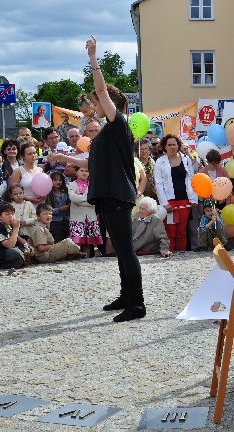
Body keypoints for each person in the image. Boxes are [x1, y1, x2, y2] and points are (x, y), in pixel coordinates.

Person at [50, 36, 144, 322]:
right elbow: (90, 162)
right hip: (106, 193)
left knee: (126, 250)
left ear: (110, 103)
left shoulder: (118, 123)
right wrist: (63, 159)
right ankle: (125, 295)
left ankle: (137, 303)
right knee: (118, 247)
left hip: (117, 193)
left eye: (99, 100)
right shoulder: (104, 133)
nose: (95, 103)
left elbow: (101, 88)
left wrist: (93, 57)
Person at [154, 134, 198, 252]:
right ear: (164, 147)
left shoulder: (186, 159)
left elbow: (192, 179)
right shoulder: (160, 162)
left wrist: (194, 199)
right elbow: (158, 184)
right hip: (169, 202)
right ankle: (170, 253)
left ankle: (182, 254)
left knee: (182, 231)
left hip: (185, 200)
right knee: (171, 231)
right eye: (169, 145)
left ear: (178, 145)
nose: (172, 147)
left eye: (174, 144)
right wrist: (164, 203)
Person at [68, 166, 102, 256]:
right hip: (76, 218)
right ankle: (76, 259)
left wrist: (80, 201)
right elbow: (73, 198)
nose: (84, 173)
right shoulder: (71, 184)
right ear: (76, 172)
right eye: (81, 170)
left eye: (87, 171)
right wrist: (87, 199)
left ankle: (86, 261)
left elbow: (94, 201)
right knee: (77, 242)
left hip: (90, 217)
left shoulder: (93, 185)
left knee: (88, 243)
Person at [0, 202, 27, 269]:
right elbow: (9, 245)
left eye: (12, 214)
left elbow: (17, 237)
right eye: (7, 214)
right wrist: (16, 228)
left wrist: (28, 246)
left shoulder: (5, 224)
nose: (11, 216)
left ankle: (0, 269)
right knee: (15, 252)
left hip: (0, 254)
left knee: (22, 254)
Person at [45, 171, 70, 242]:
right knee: (58, 241)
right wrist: (59, 209)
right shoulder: (49, 193)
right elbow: (47, 209)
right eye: (55, 180)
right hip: (55, 221)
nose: (58, 182)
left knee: (67, 241)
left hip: (66, 220)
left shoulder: (65, 191)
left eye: (60, 180)